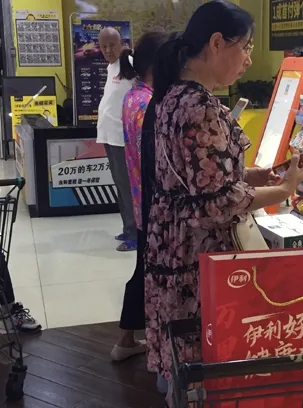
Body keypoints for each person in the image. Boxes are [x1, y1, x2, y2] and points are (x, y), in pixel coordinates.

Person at [145, 0, 303, 402]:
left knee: (184, 360)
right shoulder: (200, 108)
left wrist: (251, 176)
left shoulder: (172, 96)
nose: (249, 59)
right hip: (200, 251)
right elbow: (217, 202)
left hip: (171, 239)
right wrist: (285, 189)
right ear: (217, 43)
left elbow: (195, 179)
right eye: (245, 47)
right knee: (207, 359)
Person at [110, 31, 171, 362]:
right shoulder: (151, 104)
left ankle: (126, 339)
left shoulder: (134, 95)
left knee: (142, 269)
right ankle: (142, 345)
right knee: (149, 273)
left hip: (141, 197)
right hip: (153, 202)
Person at [96, 27, 137, 252]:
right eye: (104, 46)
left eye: (112, 45)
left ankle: (135, 235)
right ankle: (127, 227)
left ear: (121, 43)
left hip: (124, 138)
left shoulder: (129, 62)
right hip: (109, 135)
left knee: (128, 186)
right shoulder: (111, 67)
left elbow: (145, 90)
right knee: (120, 184)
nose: (108, 50)